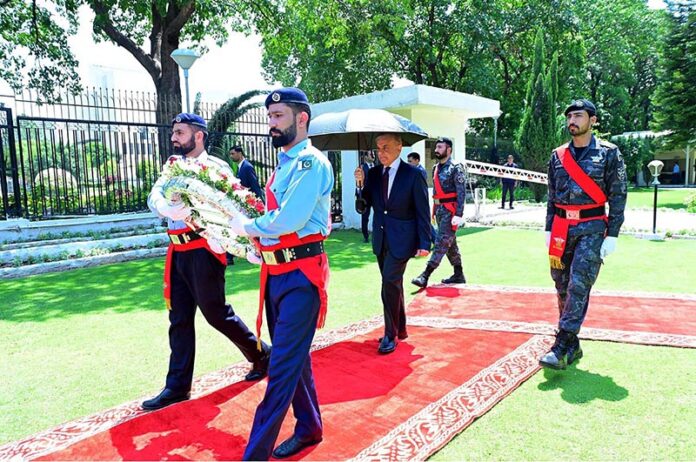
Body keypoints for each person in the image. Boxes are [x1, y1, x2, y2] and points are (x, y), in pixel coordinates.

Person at [228, 88, 334, 460]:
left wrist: (248, 226)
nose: (271, 124)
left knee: (283, 367)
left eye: (278, 116)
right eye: (270, 117)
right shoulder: (286, 163)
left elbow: (291, 219)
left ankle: (254, 455)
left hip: (301, 278)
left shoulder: (310, 162)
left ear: (301, 119)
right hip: (276, 274)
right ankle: (309, 427)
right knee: (295, 358)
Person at [143, 113, 271, 411]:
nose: (173, 138)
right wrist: (162, 206)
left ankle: (260, 353)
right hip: (177, 252)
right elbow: (155, 194)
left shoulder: (216, 167)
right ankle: (177, 386)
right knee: (179, 319)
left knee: (217, 315)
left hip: (205, 249)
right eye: (174, 133)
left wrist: (228, 239)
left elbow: (230, 206)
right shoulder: (173, 166)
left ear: (198, 135)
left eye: (180, 133)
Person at [540, 99, 627, 370]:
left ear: (593, 120)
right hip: (561, 229)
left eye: (578, 116)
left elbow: (618, 195)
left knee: (579, 283)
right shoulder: (557, 155)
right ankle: (573, 345)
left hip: (591, 228)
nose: (572, 121)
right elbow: (552, 197)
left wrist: (612, 233)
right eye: (569, 117)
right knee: (561, 284)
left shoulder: (609, 153)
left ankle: (562, 342)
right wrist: (547, 227)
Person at [354, 133, 431, 355]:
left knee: (389, 281)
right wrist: (359, 185)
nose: (381, 153)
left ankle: (390, 334)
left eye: (386, 147)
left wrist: (424, 242)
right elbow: (363, 205)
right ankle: (401, 329)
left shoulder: (413, 174)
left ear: (399, 147)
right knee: (393, 283)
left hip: (403, 238)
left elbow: (422, 211)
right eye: (378, 148)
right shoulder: (375, 174)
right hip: (381, 238)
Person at [411, 137, 467, 288]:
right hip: (440, 211)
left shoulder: (456, 167)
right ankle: (458, 273)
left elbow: (461, 192)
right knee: (450, 244)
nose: (437, 150)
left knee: (441, 242)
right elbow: (437, 193)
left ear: (449, 150)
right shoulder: (436, 168)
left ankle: (425, 275)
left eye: (440, 147)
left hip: (451, 211)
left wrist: (458, 214)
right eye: (436, 147)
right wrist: (434, 211)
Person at [357, 150, 376, 243]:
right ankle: (365, 236)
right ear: (365, 157)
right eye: (371, 154)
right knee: (365, 217)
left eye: (373, 154)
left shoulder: (377, 167)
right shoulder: (362, 168)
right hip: (365, 196)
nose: (373, 156)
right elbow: (359, 183)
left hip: (376, 195)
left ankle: (377, 234)